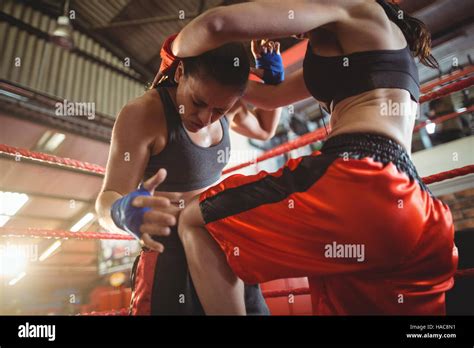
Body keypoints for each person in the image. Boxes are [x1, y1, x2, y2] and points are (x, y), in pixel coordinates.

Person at [175, 0, 459, 315]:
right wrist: (246, 74)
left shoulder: (355, 6)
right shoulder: (367, 45)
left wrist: (174, 55)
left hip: (360, 181)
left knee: (195, 221)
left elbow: (209, 27)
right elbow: (271, 98)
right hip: (415, 207)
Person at [95, 35, 284, 315]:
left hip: (221, 241)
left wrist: (274, 80)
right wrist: (123, 213)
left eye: (219, 110)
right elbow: (105, 202)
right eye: (197, 102)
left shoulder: (224, 104)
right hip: (169, 251)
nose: (205, 118)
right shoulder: (144, 113)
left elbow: (265, 129)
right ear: (181, 72)